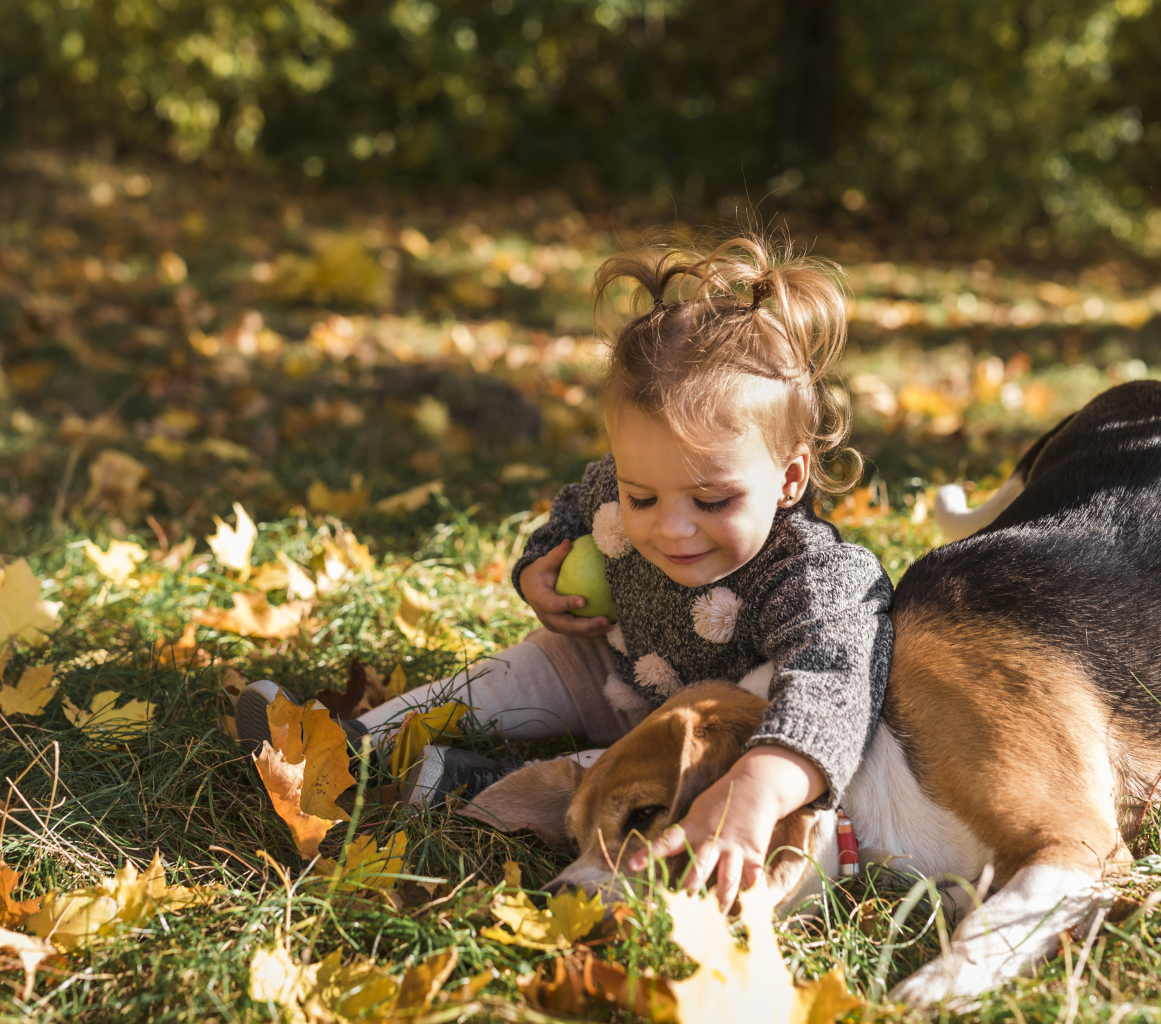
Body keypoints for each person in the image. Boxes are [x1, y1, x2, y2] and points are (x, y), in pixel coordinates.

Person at [237, 233, 893, 911]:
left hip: (694, 743)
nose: (670, 527)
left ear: (789, 479)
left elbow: (835, 685)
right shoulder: (618, 486)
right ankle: (349, 745)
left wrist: (760, 781)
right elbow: (577, 508)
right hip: (611, 667)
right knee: (521, 668)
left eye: (711, 501)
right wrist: (537, 571)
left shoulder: (814, 575)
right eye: (643, 497)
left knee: (618, 775)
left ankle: (468, 784)